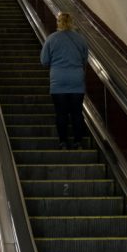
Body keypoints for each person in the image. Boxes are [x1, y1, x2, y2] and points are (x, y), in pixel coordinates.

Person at [40, 12, 89, 149]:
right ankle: (78, 142)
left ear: (58, 23)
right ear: (72, 23)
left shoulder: (51, 39)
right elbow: (85, 59)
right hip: (76, 80)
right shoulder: (80, 39)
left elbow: (44, 61)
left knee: (61, 113)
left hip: (58, 80)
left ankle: (63, 142)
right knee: (76, 112)